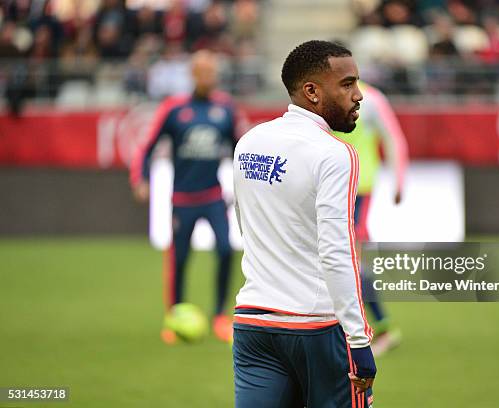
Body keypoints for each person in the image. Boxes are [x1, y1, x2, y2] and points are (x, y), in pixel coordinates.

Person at [232, 40, 376, 408]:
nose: (358, 95)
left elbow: (247, 226)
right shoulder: (334, 154)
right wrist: (359, 341)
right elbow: (337, 251)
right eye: (347, 84)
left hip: (253, 324)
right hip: (317, 328)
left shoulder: (249, 142)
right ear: (311, 91)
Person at [130, 50, 243, 344]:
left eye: (212, 71)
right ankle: (174, 316)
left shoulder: (226, 110)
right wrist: (140, 178)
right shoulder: (174, 109)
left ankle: (220, 316)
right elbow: (147, 146)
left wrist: (247, 184)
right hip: (182, 199)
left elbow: (241, 150)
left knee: (224, 250)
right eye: (203, 71)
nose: (209, 77)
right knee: (179, 260)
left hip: (214, 196)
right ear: (193, 75)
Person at [334, 79, 408, 356]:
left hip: (358, 190)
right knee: (332, 259)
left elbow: (393, 138)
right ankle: (344, 328)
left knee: (350, 259)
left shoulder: (372, 99)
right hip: (327, 189)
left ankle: (381, 328)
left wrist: (399, 180)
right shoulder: (321, 94)